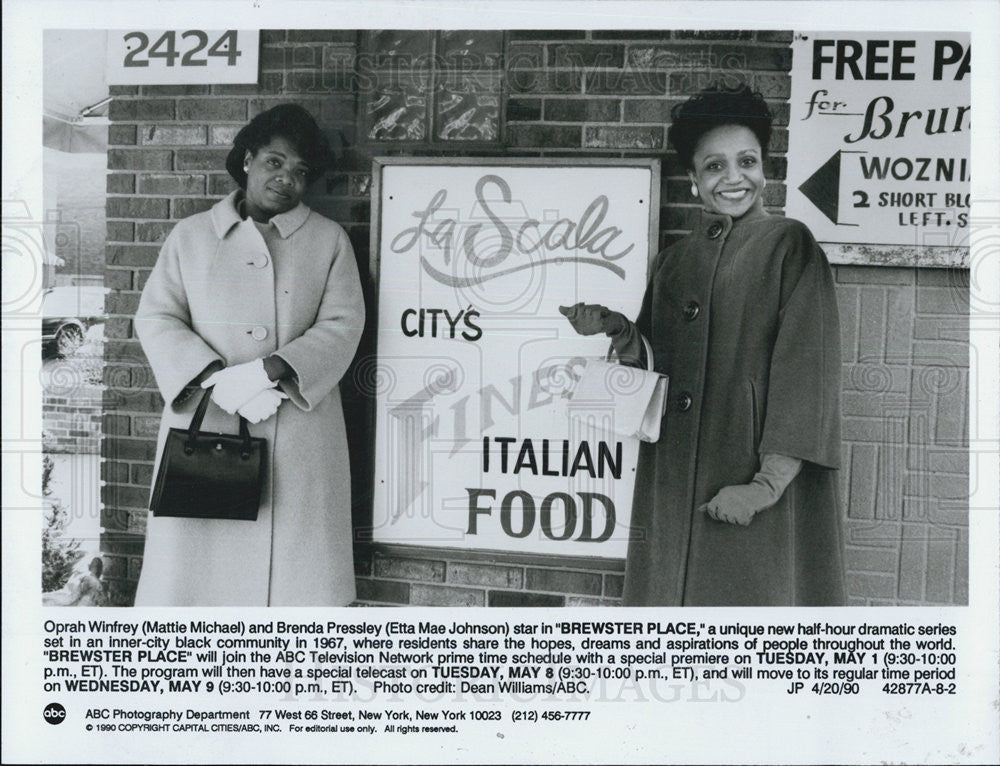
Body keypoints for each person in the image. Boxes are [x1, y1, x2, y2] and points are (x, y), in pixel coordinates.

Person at [561, 85, 845, 606]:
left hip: (751, 482)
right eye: (715, 166)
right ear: (693, 181)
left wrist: (765, 486)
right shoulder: (673, 262)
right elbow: (651, 374)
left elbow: (808, 376)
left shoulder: (790, 245)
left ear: (765, 169)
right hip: (672, 482)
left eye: (747, 161)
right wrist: (620, 331)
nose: (733, 178)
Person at [134, 104, 365, 606]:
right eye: (275, 163)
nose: (287, 179)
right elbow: (156, 317)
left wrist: (268, 371)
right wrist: (220, 379)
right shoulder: (191, 236)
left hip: (297, 429)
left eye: (301, 172)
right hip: (208, 418)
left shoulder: (329, 240)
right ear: (247, 159)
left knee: (292, 592)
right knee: (200, 589)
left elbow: (345, 325)